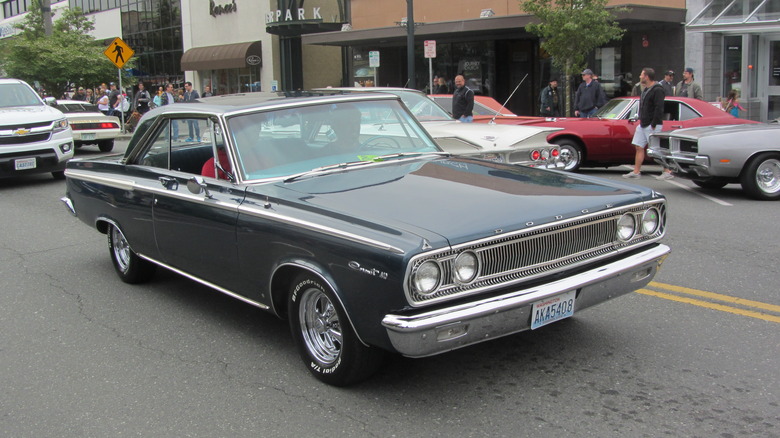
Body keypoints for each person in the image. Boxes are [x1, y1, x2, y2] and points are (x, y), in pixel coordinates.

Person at [623, 68, 668, 179]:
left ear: (647, 77)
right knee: (638, 146)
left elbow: (659, 107)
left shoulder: (658, 90)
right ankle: (636, 171)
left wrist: (654, 123)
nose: (640, 76)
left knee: (656, 149)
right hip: (643, 123)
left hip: (652, 124)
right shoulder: (645, 90)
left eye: (641, 75)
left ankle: (667, 170)